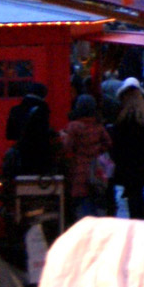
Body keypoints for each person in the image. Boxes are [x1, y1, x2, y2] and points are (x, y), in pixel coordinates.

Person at [60, 95, 113, 223]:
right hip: (97, 169)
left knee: (82, 202)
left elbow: (67, 147)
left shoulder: (74, 126)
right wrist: (97, 150)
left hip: (80, 168)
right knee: (96, 200)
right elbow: (108, 143)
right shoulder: (97, 125)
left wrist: (63, 137)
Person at [111, 80, 144, 220]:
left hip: (126, 163)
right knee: (137, 192)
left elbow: (117, 142)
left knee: (133, 194)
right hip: (142, 162)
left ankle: (141, 218)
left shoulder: (122, 118)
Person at [5, 81, 54, 175]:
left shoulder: (15, 110)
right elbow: (42, 136)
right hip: (38, 158)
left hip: (20, 156)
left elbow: (10, 134)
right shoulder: (42, 110)